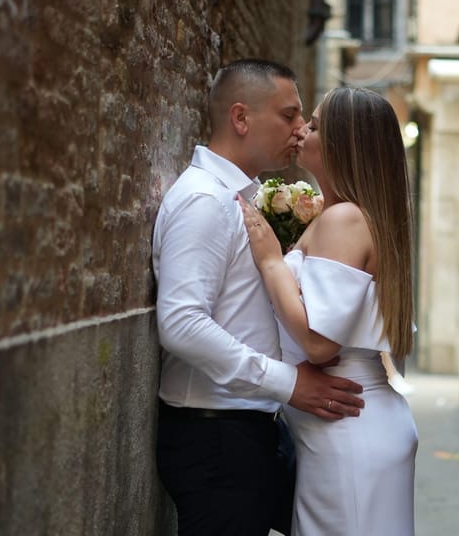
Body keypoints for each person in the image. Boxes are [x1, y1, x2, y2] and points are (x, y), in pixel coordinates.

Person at [152, 59, 365, 536]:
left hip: (250, 429)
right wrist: (289, 383)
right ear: (241, 118)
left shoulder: (241, 198)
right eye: (288, 116)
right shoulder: (206, 201)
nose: (300, 129)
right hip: (215, 437)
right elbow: (182, 322)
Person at [239, 86, 419, 535]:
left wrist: (270, 260)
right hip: (347, 425)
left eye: (315, 125)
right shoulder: (349, 215)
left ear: (343, 143)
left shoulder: (345, 220)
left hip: (347, 427)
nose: (301, 130)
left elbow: (319, 343)